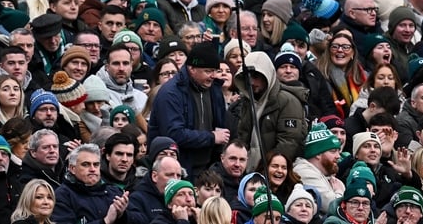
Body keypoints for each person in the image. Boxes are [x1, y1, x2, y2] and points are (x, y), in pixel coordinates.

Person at [148, 42, 228, 179]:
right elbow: (174, 134)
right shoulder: (170, 93)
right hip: (178, 169)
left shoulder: (214, 88)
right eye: (208, 71)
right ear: (191, 69)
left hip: (208, 168)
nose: (214, 75)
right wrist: (212, 137)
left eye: (215, 70)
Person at [235, 51, 308, 171]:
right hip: (248, 171)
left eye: (257, 77)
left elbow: (288, 143)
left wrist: (267, 170)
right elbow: (242, 136)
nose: (252, 82)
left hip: (273, 173)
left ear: (267, 75)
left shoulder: (287, 101)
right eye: (248, 77)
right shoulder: (247, 101)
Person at [51, 143, 130, 224]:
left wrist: (122, 215)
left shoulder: (115, 193)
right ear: (72, 168)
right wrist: (105, 221)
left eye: (96, 164)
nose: (92, 169)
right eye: (86, 164)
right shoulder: (62, 196)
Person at [294, 123, 345, 214]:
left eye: (338, 151)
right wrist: (339, 192)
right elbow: (331, 206)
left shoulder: (325, 175)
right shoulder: (304, 172)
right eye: (333, 151)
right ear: (317, 153)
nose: (338, 156)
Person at [128, 156, 183, 224]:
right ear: (154, 176)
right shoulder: (137, 199)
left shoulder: (185, 198)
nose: (175, 180)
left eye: (178, 176)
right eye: (169, 175)